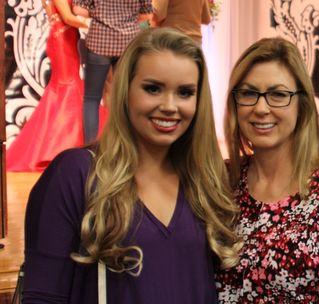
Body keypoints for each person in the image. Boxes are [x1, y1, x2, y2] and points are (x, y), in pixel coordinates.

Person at [23, 28, 240, 303]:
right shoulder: (75, 174)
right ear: (125, 89)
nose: (170, 106)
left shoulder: (204, 182)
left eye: (185, 92)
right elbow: (43, 296)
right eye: (153, 88)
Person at [216, 37, 319, 303]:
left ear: (302, 105)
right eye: (248, 93)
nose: (261, 108)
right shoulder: (220, 183)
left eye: (278, 95)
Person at [7, 0, 89, 172]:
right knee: (67, 89)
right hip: (61, 41)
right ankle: (56, 147)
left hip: (69, 40)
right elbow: (69, 18)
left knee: (66, 90)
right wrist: (97, 24)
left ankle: (61, 144)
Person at [73, 0, 153, 143]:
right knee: (125, 98)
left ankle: (90, 146)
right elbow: (147, 14)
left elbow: (78, 9)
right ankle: (124, 144)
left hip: (99, 41)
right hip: (129, 43)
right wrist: (127, 18)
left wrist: (98, 12)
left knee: (91, 98)